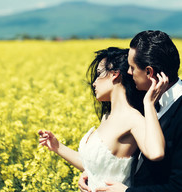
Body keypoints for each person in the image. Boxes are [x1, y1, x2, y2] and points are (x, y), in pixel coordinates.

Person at [79, 30, 182, 192]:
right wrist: (93, 172)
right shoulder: (142, 100)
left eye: (132, 68)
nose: (128, 73)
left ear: (149, 72)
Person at [39, 47, 169, 192]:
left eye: (99, 74)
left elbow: (156, 153)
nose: (94, 83)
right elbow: (96, 165)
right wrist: (57, 147)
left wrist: (149, 104)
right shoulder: (107, 117)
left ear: (115, 74)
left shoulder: (133, 118)